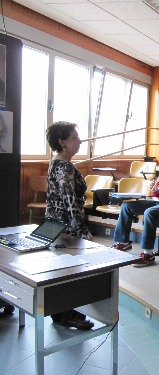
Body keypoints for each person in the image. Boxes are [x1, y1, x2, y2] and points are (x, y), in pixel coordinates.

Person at [45, 121, 94, 330]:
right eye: (74, 138)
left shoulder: (57, 162)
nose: (79, 141)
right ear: (62, 142)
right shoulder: (63, 167)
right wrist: (82, 231)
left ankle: (60, 313)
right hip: (66, 229)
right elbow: (69, 202)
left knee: (61, 271)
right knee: (70, 272)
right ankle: (68, 314)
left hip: (54, 224)